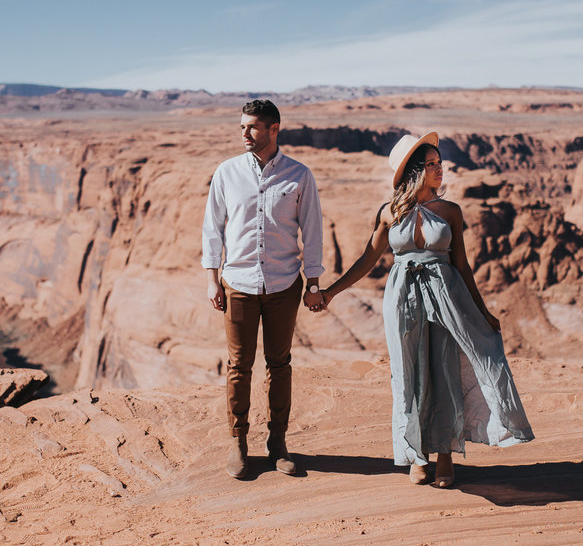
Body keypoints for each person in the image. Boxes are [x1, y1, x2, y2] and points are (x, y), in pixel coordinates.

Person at [322, 132, 534, 487]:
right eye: (432, 164)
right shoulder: (389, 212)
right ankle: (415, 454)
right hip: (402, 298)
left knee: (445, 370)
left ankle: (446, 455)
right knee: (409, 375)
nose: (440, 169)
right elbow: (367, 259)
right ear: (415, 171)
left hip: (447, 296)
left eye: (440, 163)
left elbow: (463, 266)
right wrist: (330, 292)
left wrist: (482, 312)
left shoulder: (451, 211)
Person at [202, 99, 325, 479]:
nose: (244, 133)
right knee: (239, 365)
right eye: (242, 126)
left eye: (252, 127)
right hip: (237, 283)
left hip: (284, 284)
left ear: (274, 129)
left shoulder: (299, 175)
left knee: (280, 364)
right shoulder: (227, 173)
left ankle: (278, 444)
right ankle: (238, 443)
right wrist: (211, 278)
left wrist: (314, 281)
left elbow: (313, 229)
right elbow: (213, 227)